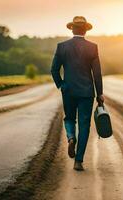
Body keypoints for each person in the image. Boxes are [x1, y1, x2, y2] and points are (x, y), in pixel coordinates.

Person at [51, 16, 104, 171]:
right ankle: (79, 161)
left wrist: (61, 85)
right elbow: (97, 74)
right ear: (85, 30)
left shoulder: (62, 47)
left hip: (68, 90)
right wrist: (100, 93)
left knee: (69, 118)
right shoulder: (92, 47)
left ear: (72, 29)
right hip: (87, 92)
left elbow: (54, 69)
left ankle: (70, 137)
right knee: (84, 125)